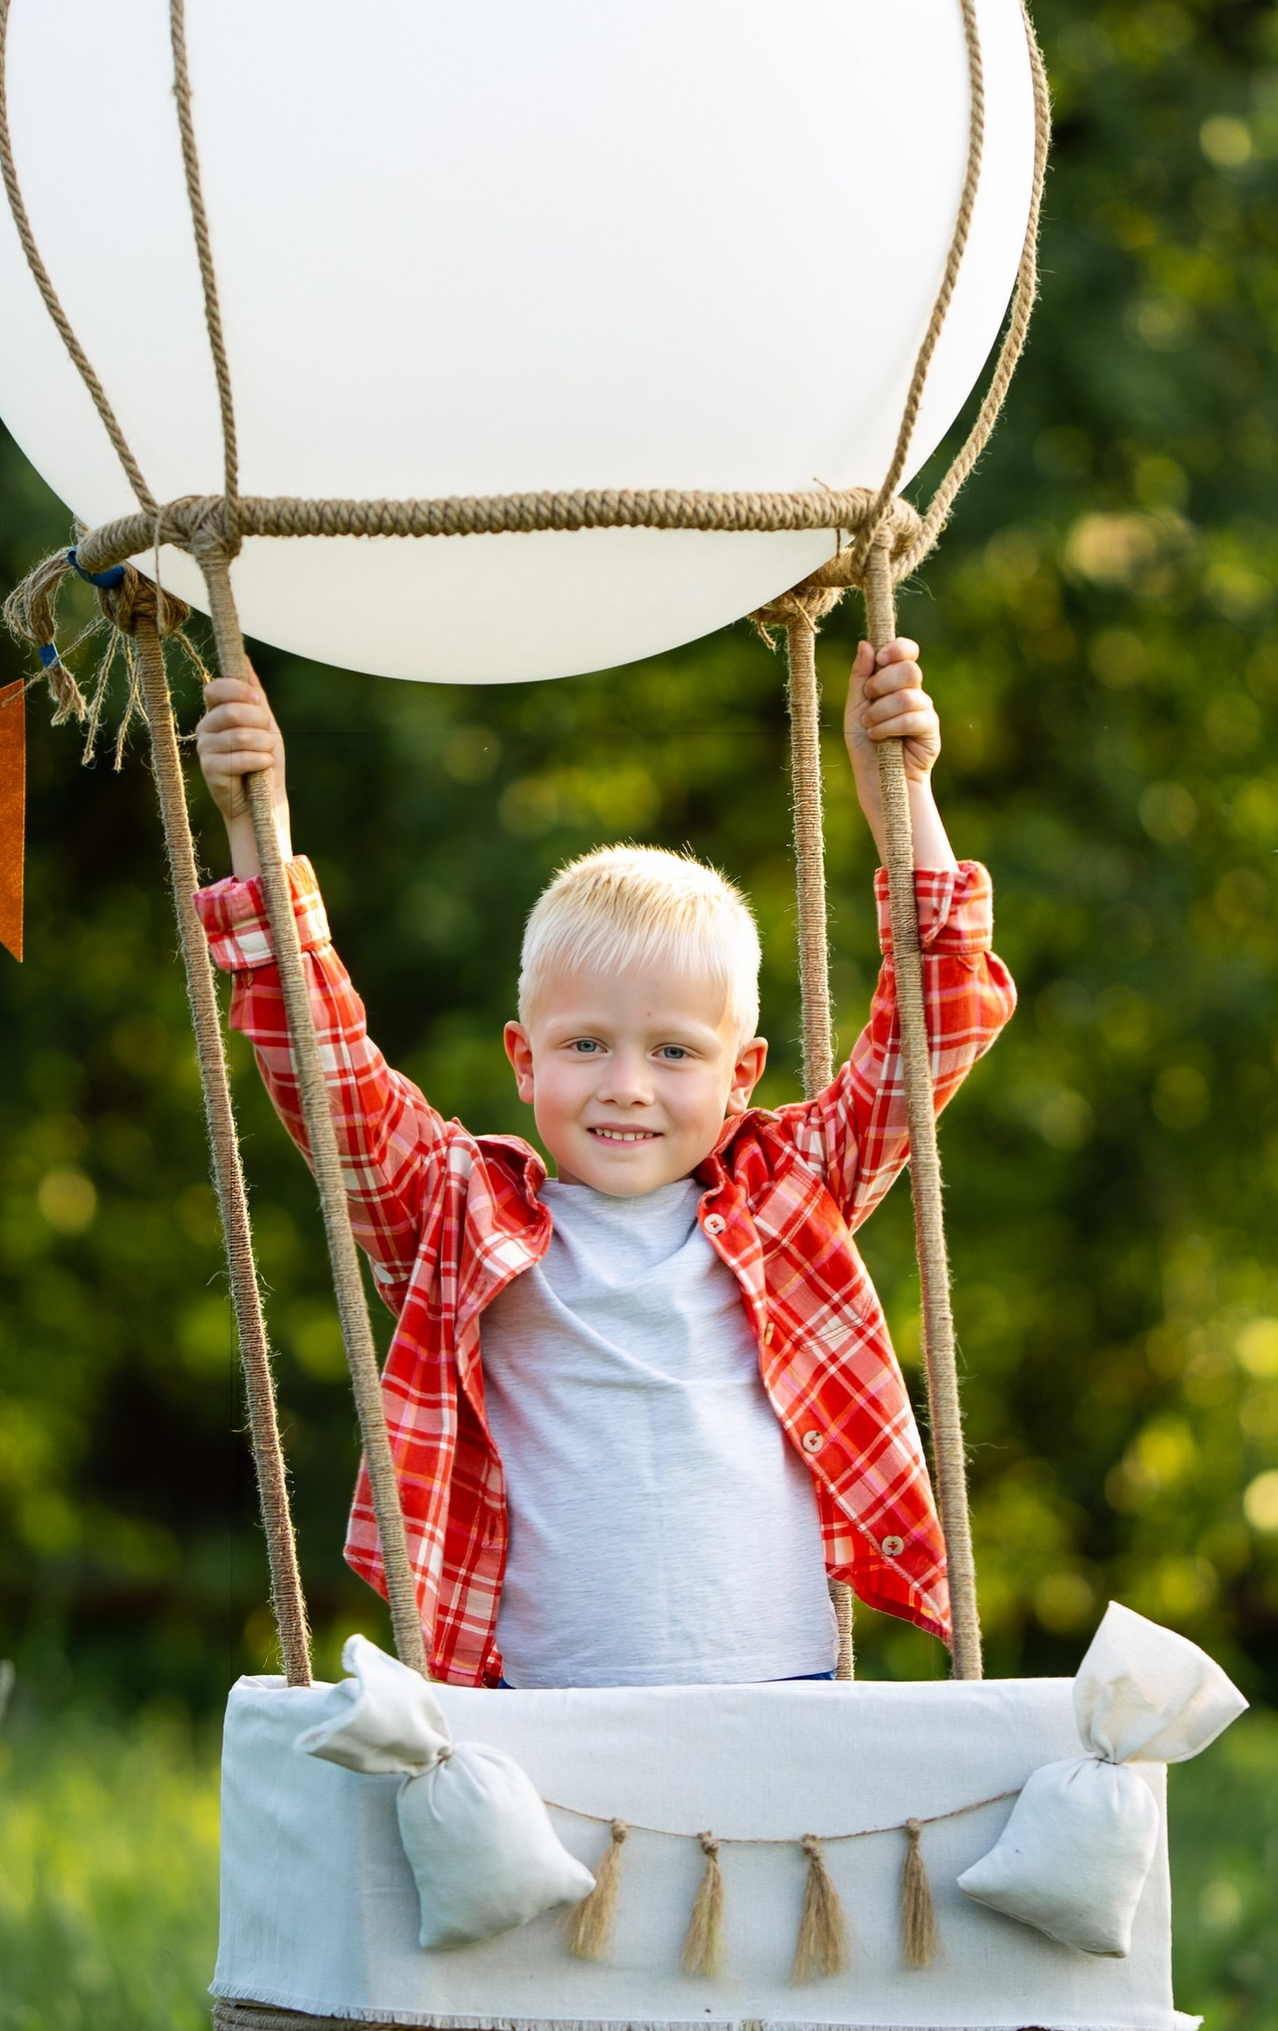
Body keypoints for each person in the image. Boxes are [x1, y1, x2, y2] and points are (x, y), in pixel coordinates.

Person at [193, 637, 1013, 1690]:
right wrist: (258, 826)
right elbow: (326, 1067)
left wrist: (901, 797)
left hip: (778, 1690)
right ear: (523, 1060)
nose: (626, 1084)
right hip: (540, 1703)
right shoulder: (463, 1216)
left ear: (741, 1075)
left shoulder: (786, 1194)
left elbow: (939, 1019)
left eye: (673, 1052)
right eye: (586, 1045)